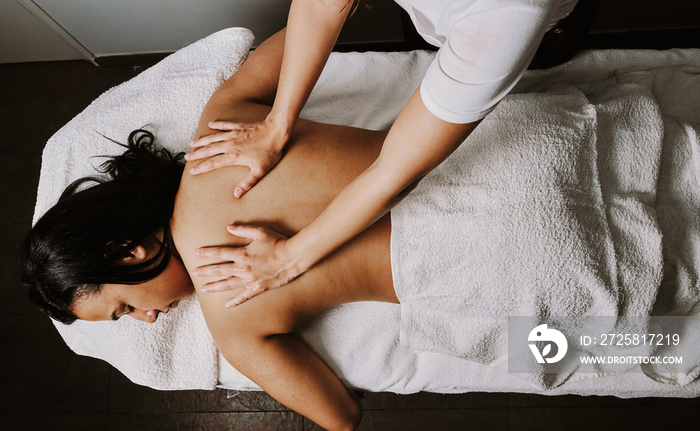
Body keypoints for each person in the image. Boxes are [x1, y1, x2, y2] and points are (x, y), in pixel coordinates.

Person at [23, 29, 404, 430]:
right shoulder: (218, 135)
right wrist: (279, 122)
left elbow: (341, 417)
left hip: (457, 267)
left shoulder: (233, 319)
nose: (149, 319)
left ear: (126, 251)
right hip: (451, 144)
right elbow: (303, 30)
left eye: (126, 308)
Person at [184, 0, 581, 307]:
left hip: (538, 33)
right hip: (450, 24)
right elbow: (321, 5)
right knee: (426, 37)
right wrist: (276, 125)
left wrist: (290, 259)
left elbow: (393, 173)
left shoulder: (505, 19)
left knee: (536, 63)